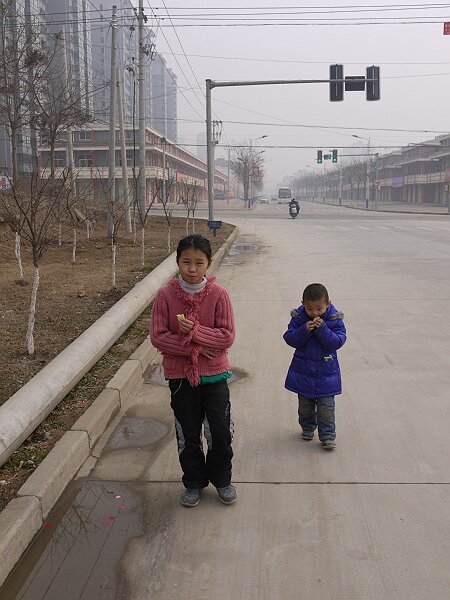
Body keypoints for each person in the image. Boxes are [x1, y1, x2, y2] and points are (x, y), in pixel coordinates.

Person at [150, 234, 236, 507]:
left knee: (220, 432)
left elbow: (226, 336)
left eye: (199, 262)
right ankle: (193, 482)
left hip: (215, 376)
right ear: (177, 262)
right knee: (188, 434)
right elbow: (158, 337)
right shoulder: (165, 295)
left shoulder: (219, 295)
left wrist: (196, 332)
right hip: (180, 378)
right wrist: (194, 349)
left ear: (208, 264)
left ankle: (222, 479)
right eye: (185, 262)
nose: (192, 268)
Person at [283, 283, 346, 450]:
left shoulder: (334, 319)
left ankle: (327, 435)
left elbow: (338, 341)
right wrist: (304, 330)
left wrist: (322, 329)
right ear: (303, 303)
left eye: (319, 309)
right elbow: (289, 338)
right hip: (304, 371)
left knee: (326, 406)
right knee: (305, 405)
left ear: (328, 303)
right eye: (310, 309)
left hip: (326, 372)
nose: (315, 313)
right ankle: (308, 427)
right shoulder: (299, 318)